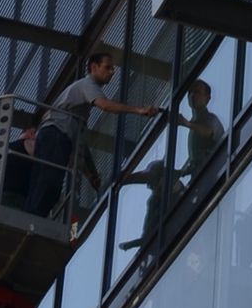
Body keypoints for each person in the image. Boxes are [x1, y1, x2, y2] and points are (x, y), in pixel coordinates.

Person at [23, 45, 159, 216]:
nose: (112, 72)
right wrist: (139, 110)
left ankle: (33, 216)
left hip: (54, 135)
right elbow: (105, 105)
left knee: (47, 182)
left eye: (112, 69)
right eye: (107, 67)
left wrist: (91, 174)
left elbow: (79, 146)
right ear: (94, 67)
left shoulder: (78, 110)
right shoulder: (87, 84)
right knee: (49, 182)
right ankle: (33, 218)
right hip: (55, 134)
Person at [178, 76, 224, 183]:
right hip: (199, 177)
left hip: (212, 176)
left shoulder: (211, 118)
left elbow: (209, 132)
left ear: (207, 98)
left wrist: (186, 124)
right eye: (190, 92)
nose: (193, 95)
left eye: (197, 92)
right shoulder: (194, 124)